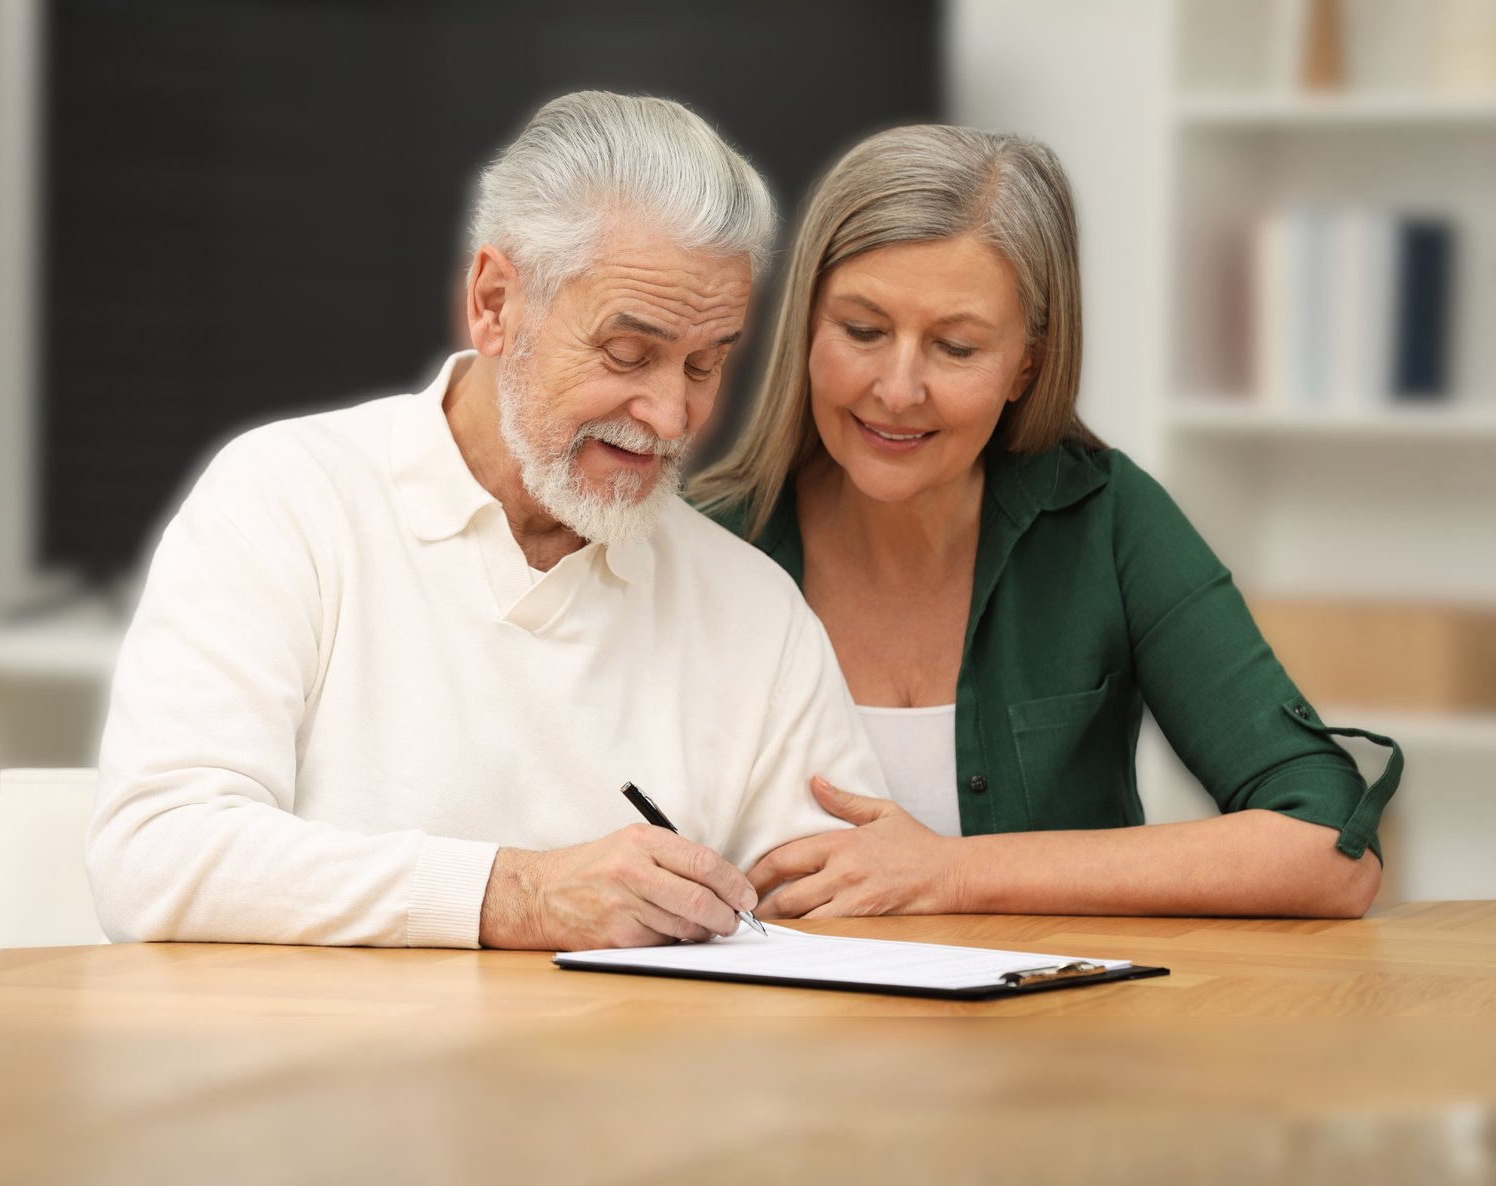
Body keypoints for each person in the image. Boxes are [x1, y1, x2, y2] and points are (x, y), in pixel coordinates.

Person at [86, 91, 885, 951]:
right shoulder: (285, 499)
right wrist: (517, 896)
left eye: (705, 364)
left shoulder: (752, 609)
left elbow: (839, 922)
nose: (669, 415)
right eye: (628, 353)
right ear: (497, 302)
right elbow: (155, 857)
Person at [690, 125, 1401, 920]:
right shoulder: (694, 547)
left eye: (955, 348)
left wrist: (953, 874)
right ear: (806, 325)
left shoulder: (1108, 521)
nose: (896, 389)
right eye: (861, 330)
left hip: (1056, 1041)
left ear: (1027, 363)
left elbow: (1330, 845)